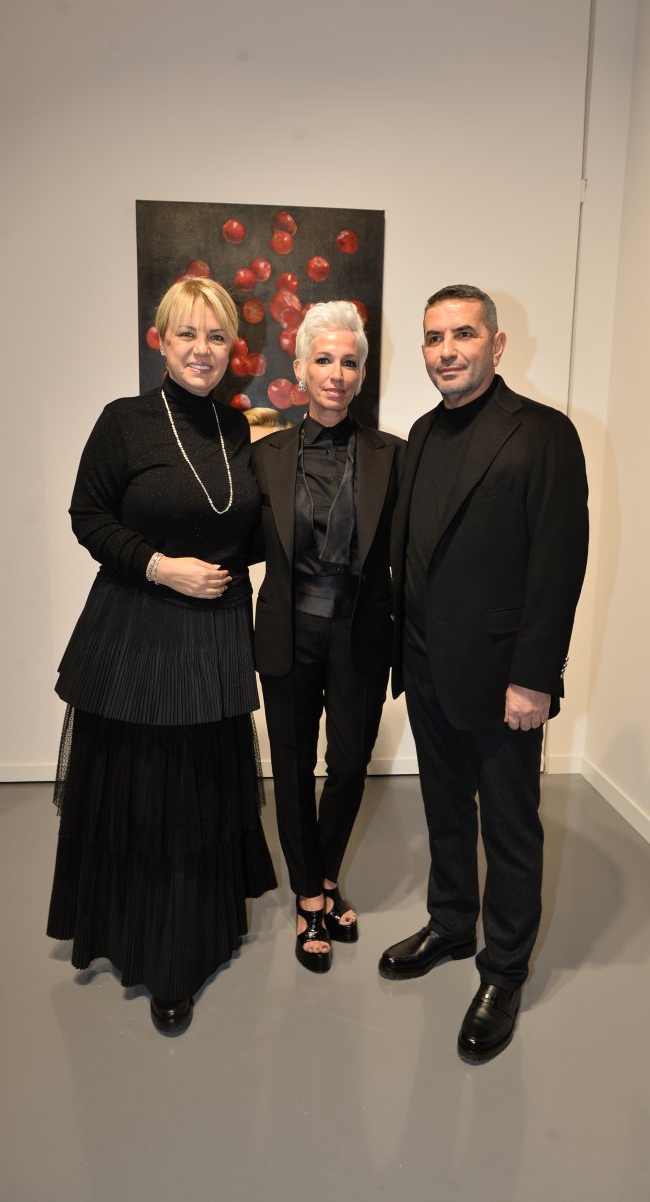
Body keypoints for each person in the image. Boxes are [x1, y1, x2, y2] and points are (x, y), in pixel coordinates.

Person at [47, 277, 276, 1036]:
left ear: (232, 347)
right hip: (137, 631)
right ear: (161, 341)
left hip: (214, 635)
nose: (201, 350)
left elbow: (239, 528)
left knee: (200, 796)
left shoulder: (238, 428)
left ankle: (197, 936)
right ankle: (154, 956)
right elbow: (87, 515)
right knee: (147, 798)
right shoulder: (125, 421)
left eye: (216, 336)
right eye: (187, 334)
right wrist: (158, 566)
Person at [379, 284, 588, 1063]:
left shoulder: (543, 434)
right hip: (427, 665)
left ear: (496, 345)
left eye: (463, 334)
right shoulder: (422, 432)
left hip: (504, 680)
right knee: (442, 809)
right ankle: (450, 924)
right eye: (435, 338)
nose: (448, 350)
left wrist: (535, 677)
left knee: (509, 826)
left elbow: (558, 564)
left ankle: (503, 970)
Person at [252, 301, 404, 972]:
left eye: (348, 362)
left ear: (362, 374)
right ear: (300, 370)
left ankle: (327, 872)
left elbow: (410, 552)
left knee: (346, 766)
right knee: (291, 767)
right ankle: (309, 894)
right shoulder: (264, 456)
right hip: (288, 635)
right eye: (324, 360)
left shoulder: (394, 456)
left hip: (361, 632)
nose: (336, 373)